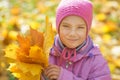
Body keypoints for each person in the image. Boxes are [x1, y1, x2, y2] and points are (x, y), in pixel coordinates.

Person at [42, 0, 112, 80]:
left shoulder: (95, 60)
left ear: (87, 30)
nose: (72, 33)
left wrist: (64, 77)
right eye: (66, 26)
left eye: (80, 27)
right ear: (58, 27)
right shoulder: (44, 50)